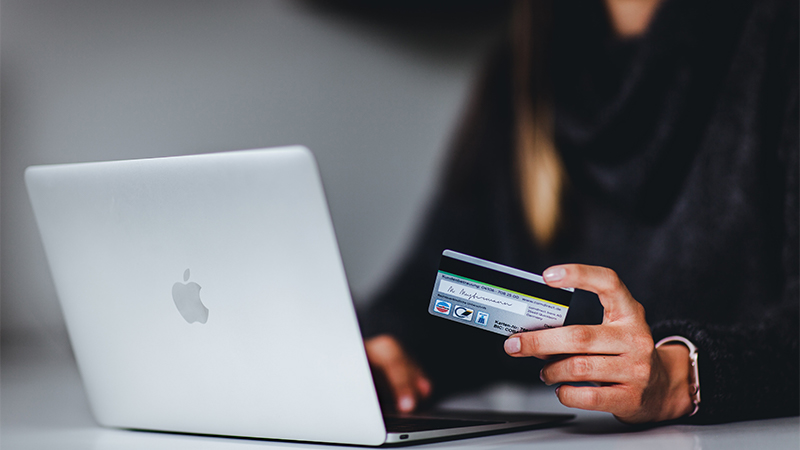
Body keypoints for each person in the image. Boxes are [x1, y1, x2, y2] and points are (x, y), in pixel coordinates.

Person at [359, 0, 799, 424]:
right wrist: (388, 351)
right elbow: (427, 292)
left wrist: (682, 377)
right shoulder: (526, 62)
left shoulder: (779, 34)